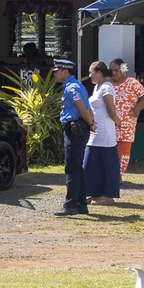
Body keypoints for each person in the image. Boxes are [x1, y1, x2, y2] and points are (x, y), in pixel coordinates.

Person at [52, 58, 94, 216]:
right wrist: (91, 123)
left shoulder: (72, 88)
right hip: (78, 128)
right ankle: (81, 205)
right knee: (77, 168)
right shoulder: (77, 85)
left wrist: (90, 124)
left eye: (57, 71)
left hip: (75, 129)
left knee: (71, 168)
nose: (55, 74)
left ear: (65, 71)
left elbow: (82, 109)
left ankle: (70, 206)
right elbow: (87, 107)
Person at [82, 61, 120, 206]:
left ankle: (108, 195)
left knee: (107, 163)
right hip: (95, 132)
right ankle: (95, 192)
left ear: (99, 72)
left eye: (92, 72)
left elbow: (111, 110)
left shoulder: (106, 87)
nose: (89, 75)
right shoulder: (97, 87)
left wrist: (117, 121)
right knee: (92, 164)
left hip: (104, 133)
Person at [107, 58, 144, 175]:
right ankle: (109, 174)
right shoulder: (106, 83)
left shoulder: (132, 83)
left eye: (116, 70)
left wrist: (138, 107)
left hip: (126, 125)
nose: (114, 73)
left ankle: (118, 174)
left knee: (123, 151)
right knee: (109, 150)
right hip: (109, 123)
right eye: (111, 70)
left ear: (123, 70)